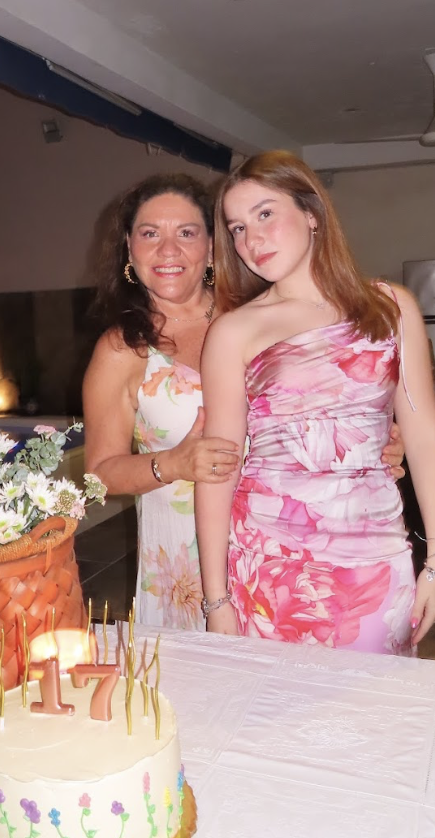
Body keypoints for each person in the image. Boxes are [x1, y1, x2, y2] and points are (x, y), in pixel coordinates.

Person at [83, 172, 407, 631]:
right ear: (129, 250)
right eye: (150, 234)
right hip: (186, 564)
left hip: (286, 546)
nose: (169, 250)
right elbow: (99, 472)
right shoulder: (122, 350)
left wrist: (376, 442)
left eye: (187, 233)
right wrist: (173, 463)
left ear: (212, 247)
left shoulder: (260, 319)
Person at [195, 151, 435, 653]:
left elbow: (423, 436)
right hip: (269, 561)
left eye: (265, 214)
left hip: (375, 553)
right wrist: (216, 599)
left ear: (311, 213)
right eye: (238, 228)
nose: (251, 240)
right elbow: (220, 466)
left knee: (376, 696)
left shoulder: (391, 307)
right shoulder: (233, 331)